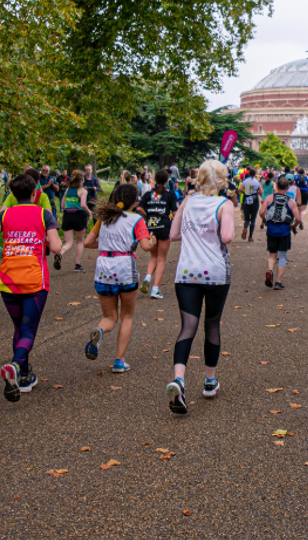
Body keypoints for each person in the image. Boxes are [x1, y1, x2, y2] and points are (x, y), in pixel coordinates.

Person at [0, 173, 62, 402]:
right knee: (28, 330)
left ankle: (24, 376)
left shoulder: (4, 213)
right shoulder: (44, 213)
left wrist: (4, 251)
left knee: (18, 327)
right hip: (35, 279)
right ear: (35, 192)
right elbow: (55, 247)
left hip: (8, 279)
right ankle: (15, 366)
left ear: (13, 194)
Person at [165, 160, 234, 414]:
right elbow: (226, 237)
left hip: (186, 272)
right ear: (222, 179)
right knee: (212, 324)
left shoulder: (187, 201)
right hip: (215, 272)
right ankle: (209, 380)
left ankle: (179, 379)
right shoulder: (224, 204)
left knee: (188, 326)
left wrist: (193, 232)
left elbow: (173, 234)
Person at [82, 183, 155, 371]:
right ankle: (119, 361)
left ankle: (99, 330)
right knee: (127, 316)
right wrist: (153, 240)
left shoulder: (104, 218)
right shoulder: (136, 220)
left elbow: (88, 242)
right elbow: (146, 246)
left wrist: (107, 245)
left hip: (104, 268)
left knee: (109, 317)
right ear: (133, 202)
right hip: (125, 269)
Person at [138, 170, 178, 299]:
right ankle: (155, 289)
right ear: (167, 181)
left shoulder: (149, 194)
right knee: (161, 259)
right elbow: (175, 212)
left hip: (151, 227)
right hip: (164, 226)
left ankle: (147, 277)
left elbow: (139, 208)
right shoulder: (169, 194)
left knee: (153, 255)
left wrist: (147, 216)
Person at [260, 175, 303, 290]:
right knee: (282, 256)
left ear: (277, 186)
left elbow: (261, 211)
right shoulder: (291, 201)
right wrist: (294, 226)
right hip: (284, 231)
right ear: (288, 188)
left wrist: (265, 220)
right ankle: (278, 282)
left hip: (271, 230)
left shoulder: (269, 198)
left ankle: (269, 270)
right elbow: (298, 219)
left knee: (272, 254)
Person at [58, 170, 91, 272]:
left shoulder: (67, 190)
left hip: (67, 216)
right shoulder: (83, 191)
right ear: (82, 180)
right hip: (78, 216)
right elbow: (82, 205)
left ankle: (60, 254)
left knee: (69, 243)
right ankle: (77, 265)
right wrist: (89, 212)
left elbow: (62, 205)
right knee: (79, 241)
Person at [239, 168, 262, 242]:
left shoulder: (245, 181)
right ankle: (250, 237)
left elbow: (239, 189)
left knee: (247, 218)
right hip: (254, 199)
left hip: (246, 199)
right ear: (255, 174)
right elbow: (261, 192)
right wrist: (258, 192)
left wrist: (243, 192)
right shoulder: (257, 182)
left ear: (249, 174)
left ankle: (245, 227)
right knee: (253, 219)